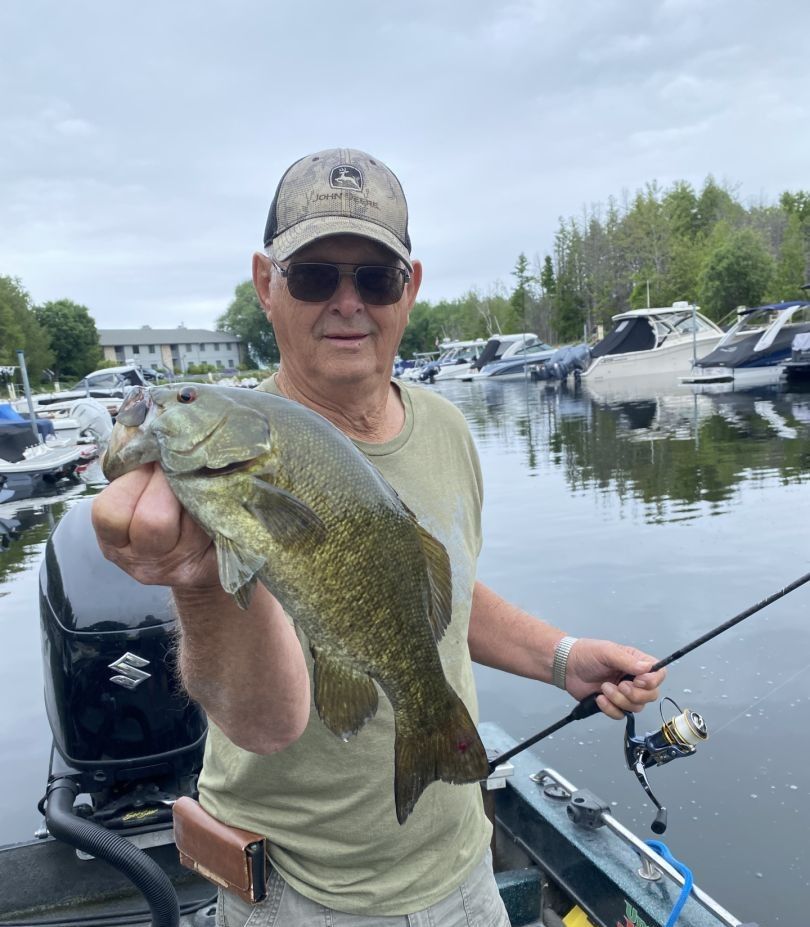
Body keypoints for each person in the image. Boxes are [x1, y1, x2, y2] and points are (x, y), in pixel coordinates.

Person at [92, 148, 666, 926]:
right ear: (267, 284)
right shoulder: (209, 481)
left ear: (411, 288)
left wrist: (558, 657)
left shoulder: (448, 428)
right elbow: (264, 724)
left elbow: (442, 593)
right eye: (315, 275)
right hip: (302, 895)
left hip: (465, 870)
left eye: (376, 277)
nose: (348, 301)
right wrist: (196, 579)